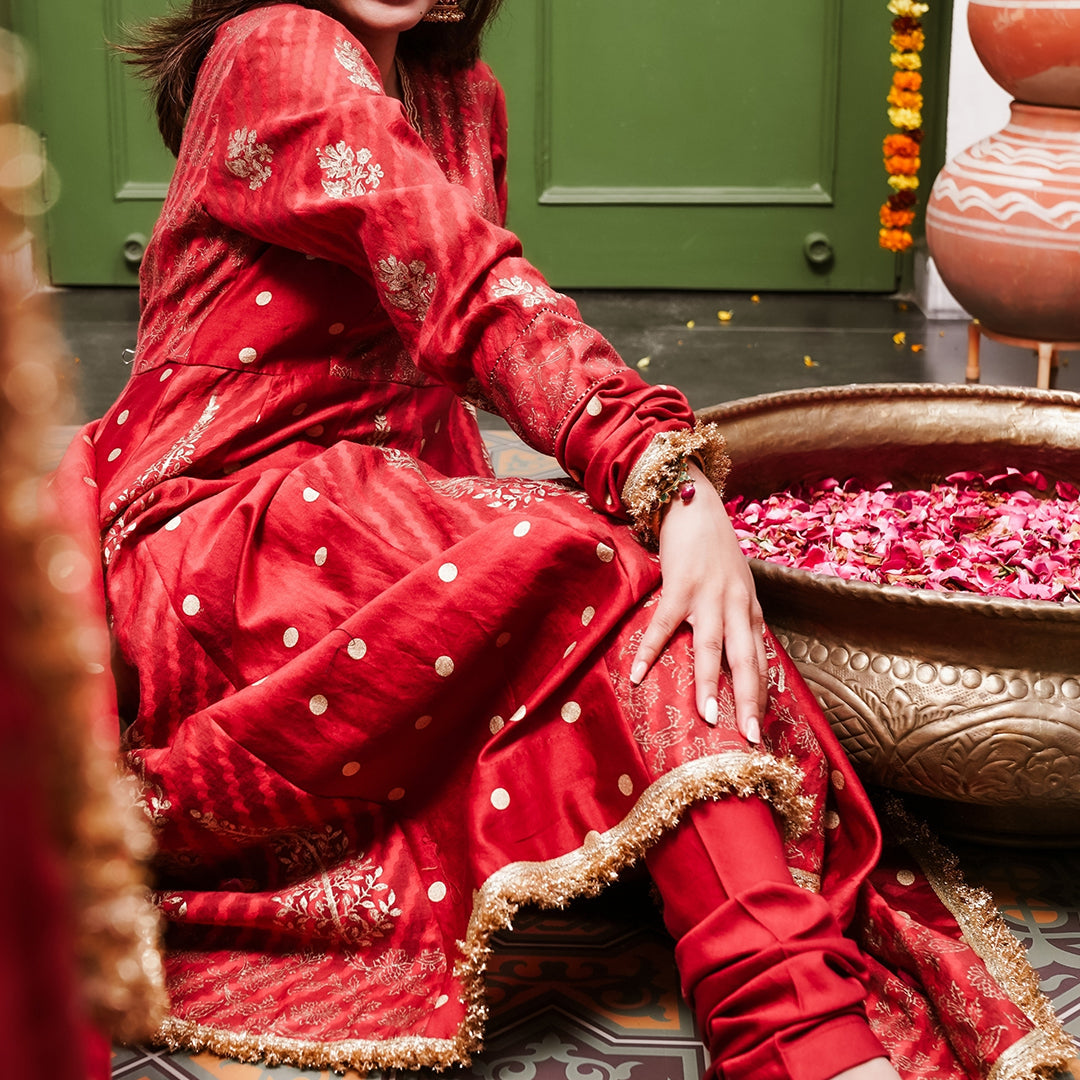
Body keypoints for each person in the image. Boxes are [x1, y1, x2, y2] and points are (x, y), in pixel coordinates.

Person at [53, 1, 1074, 1078]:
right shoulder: (274, 47)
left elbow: (426, 381)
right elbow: (465, 288)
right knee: (599, 563)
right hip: (217, 533)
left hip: (361, 511)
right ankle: (794, 1031)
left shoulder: (462, 96)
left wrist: (530, 535)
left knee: (605, 573)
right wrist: (666, 479)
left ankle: (784, 997)